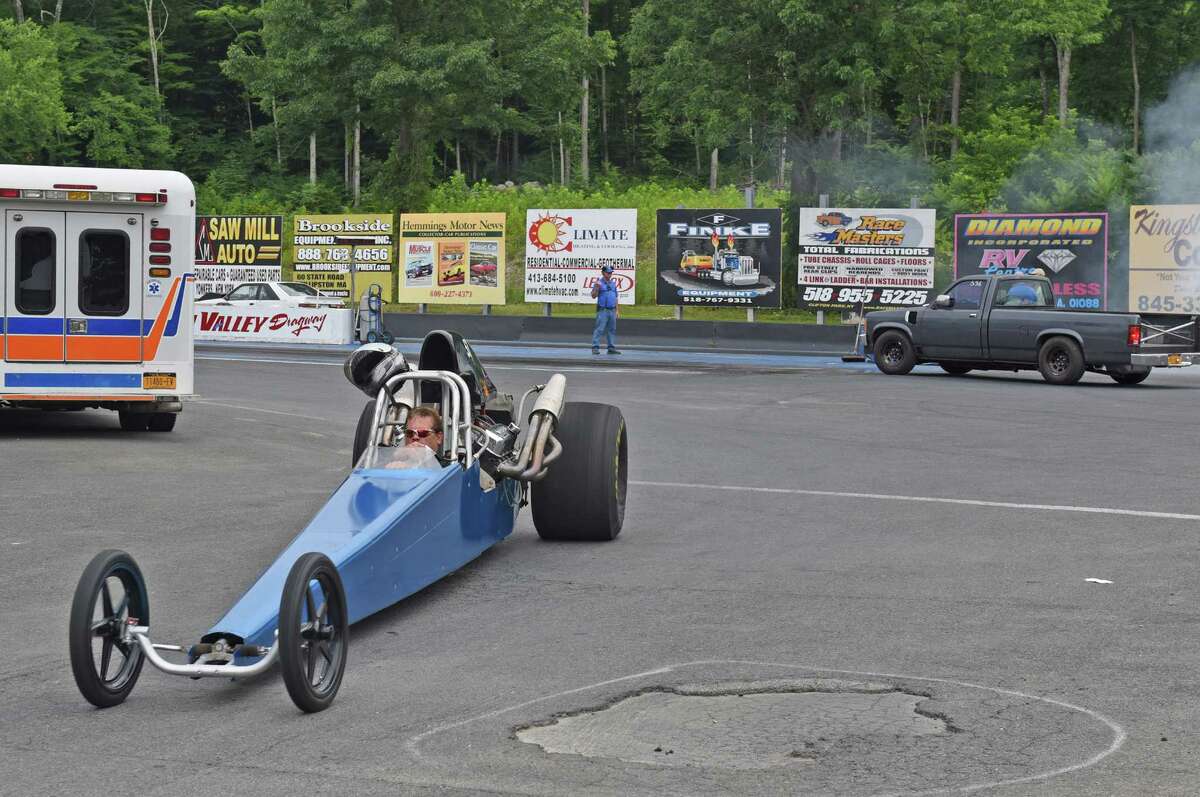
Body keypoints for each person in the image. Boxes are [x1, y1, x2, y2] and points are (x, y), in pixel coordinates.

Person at [591, 264, 621, 355]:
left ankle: (611, 347)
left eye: (611, 273)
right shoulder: (598, 283)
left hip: (612, 310)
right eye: (608, 273)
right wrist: (596, 288)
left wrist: (617, 310)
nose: (610, 274)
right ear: (603, 273)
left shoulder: (613, 283)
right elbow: (593, 296)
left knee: (612, 329)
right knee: (599, 329)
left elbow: (615, 297)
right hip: (603, 310)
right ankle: (595, 347)